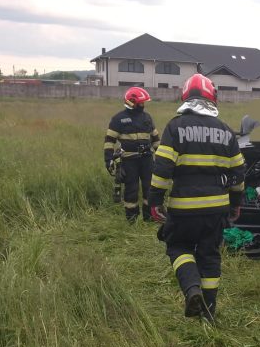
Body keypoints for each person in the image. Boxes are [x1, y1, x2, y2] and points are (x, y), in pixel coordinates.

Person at [148, 74, 245, 321]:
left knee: (178, 246)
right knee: (209, 255)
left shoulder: (175, 127)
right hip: (217, 209)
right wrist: (235, 205)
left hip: (184, 208)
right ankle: (209, 313)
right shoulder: (226, 131)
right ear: (212, 97)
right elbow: (238, 174)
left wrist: (155, 201)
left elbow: (162, 168)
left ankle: (192, 290)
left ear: (185, 96)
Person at [104, 87, 160, 222]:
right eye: (141, 102)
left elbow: (156, 139)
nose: (143, 105)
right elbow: (109, 142)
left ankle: (149, 218)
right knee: (131, 190)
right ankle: (132, 219)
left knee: (149, 188)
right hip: (129, 161)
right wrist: (108, 160)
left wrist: (161, 158)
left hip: (147, 160)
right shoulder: (119, 119)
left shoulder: (147, 118)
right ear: (132, 102)